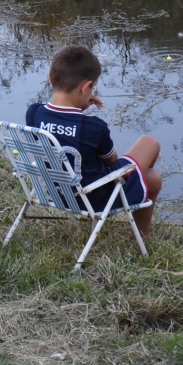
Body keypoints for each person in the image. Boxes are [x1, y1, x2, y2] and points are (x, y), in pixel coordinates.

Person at [27, 44, 161, 235]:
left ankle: (143, 222)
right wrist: (80, 112)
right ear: (85, 87)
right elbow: (113, 163)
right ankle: (142, 234)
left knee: (153, 178)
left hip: (56, 192)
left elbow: (62, 128)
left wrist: (78, 108)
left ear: (50, 78)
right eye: (92, 88)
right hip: (93, 198)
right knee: (149, 142)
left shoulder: (34, 113)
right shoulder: (94, 127)